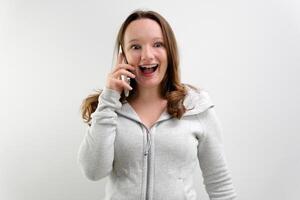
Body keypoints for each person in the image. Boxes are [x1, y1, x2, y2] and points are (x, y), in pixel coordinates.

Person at [78, 9, 237, 200]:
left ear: (169, 51)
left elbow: (219, 184)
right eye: (135, 47)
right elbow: (93, 171)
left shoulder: (196, 106)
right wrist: (110, 97)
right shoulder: (109, 109)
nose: (147, 55)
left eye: (158, 44)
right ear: (123, 55)